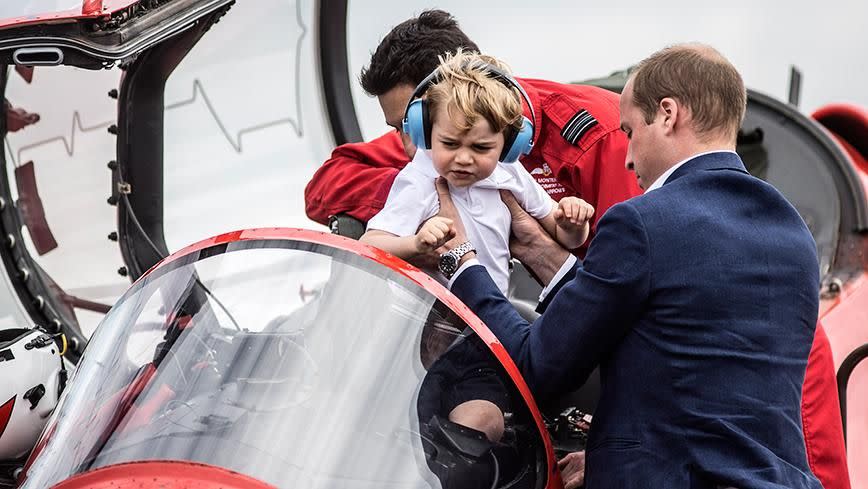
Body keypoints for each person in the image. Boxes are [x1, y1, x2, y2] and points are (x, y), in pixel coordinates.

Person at [439, 44, 825, 488]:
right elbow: (705, 378)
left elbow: (539, 365)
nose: (626, 156)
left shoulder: (641, 221)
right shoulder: (793, 234)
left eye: (629, 130)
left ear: (667, 114)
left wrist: (461, 261)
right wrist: (607, 456)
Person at [304, 9, 641, 263]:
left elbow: (628, 268)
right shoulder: (432, 148)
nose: (410, 146)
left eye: (412, 122)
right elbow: (324, 186)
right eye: (402, 128)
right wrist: (423, 197)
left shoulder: (601, 135)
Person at [361, 49, 594, 294]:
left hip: (489, 317)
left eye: (481, 148)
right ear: (426, 133)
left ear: (510, 146)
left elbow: (565, 236)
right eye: (449, 144)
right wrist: (416, 244)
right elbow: (369, 246)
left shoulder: (509, 172)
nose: (463, 158)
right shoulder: (420, 180)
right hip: (435, 320)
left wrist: (574, 224)